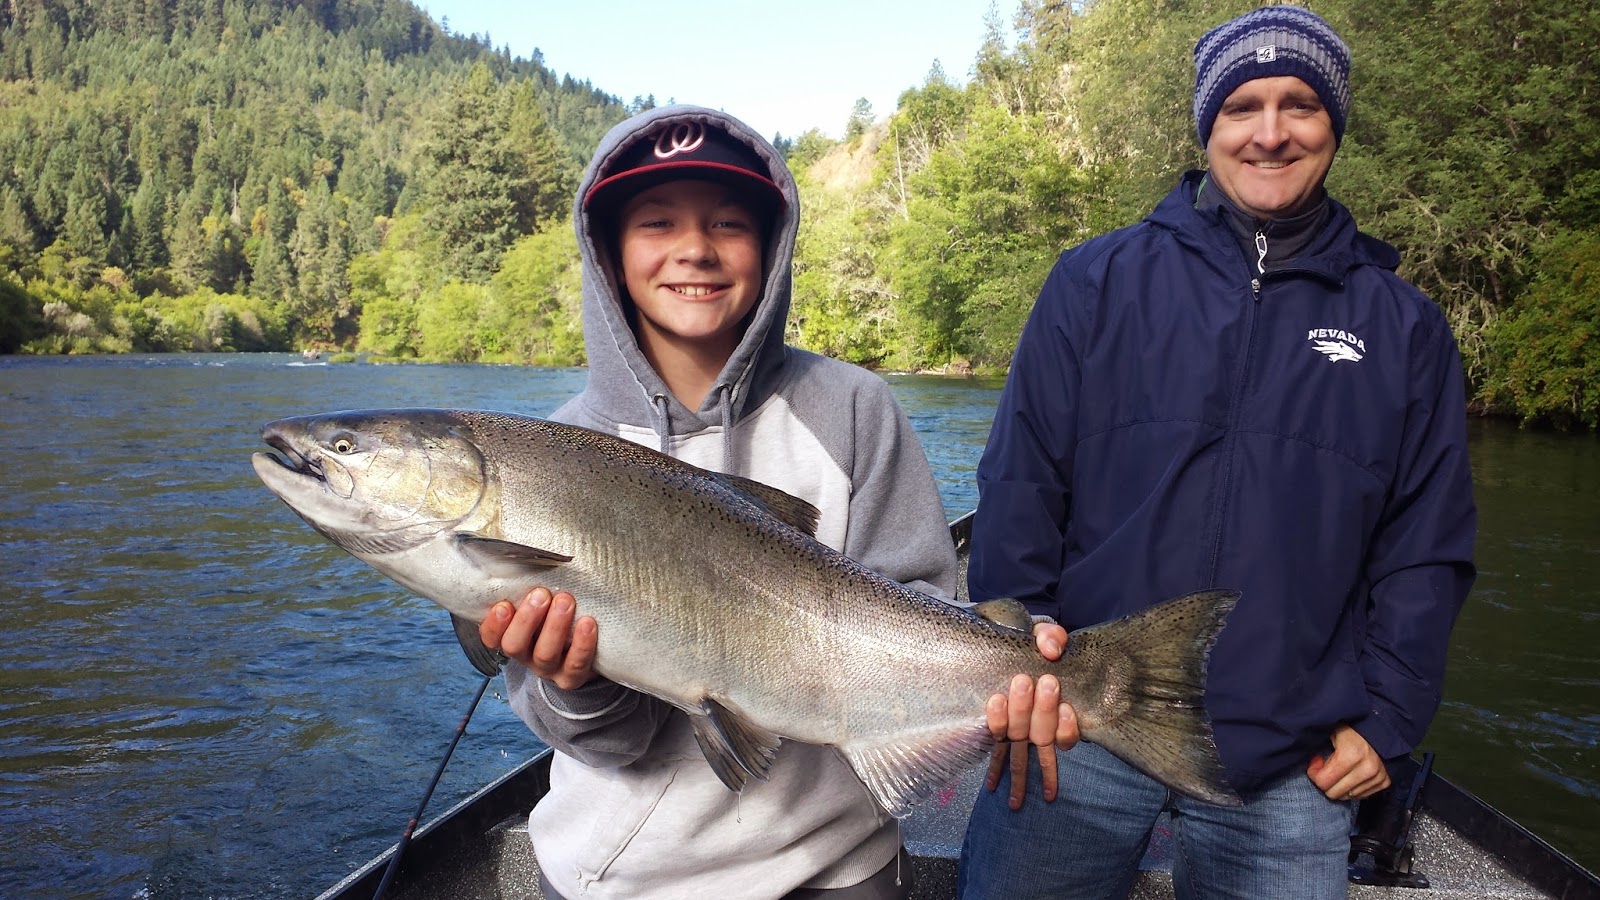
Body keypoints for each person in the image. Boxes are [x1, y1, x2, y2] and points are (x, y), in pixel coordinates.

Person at [956, 6, 1478, 899]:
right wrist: (1016, 652)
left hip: (1286, 760)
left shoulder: (1406, 330)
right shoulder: (1093, 282)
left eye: (1298, 105)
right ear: (1208, 126)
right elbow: (1019, 484)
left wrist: (1388, 719)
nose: (1269, 134)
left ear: (1334, 126)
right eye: (1242, 107)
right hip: (1078, 728)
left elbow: (1424, 549)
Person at [475, 105, 963, 900]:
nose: (694, 249)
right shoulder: (545, 457)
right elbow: (602, 742)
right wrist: (577, 683)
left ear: (770, 245)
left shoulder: (854, 408)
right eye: (657, 222)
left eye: (729, 223)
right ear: (608, 251)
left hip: (839, 867)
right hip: (617, 877)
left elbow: (924, 608)